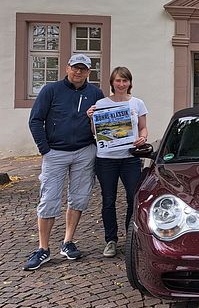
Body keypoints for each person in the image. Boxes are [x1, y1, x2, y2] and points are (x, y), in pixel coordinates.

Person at [25, 54, 105, 270]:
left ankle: (68, 242)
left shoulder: (95, 93)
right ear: (67, 68)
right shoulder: (50, 91)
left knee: (78, 198)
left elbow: (102, 123)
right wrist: (45, 149)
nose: (78, 72)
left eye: (83, 69)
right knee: (49, 198)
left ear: (89, 72)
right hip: (55, 153)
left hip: (84, 151)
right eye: (75, 68)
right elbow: (35, 120)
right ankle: (43, 248)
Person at [86, 67, 148, 258]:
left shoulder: (137, 103)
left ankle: (131, 236)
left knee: (133, 198)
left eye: (125, 81)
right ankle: (110, 240)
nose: (121, 84)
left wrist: (142, 139)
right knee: (108, 200)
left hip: (130, 158)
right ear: (112, 83)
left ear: (130, 83)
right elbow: (96, 132)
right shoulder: (101, 103)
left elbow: (144, 128)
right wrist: (91, 118)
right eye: (118, 81)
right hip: (106, 159)